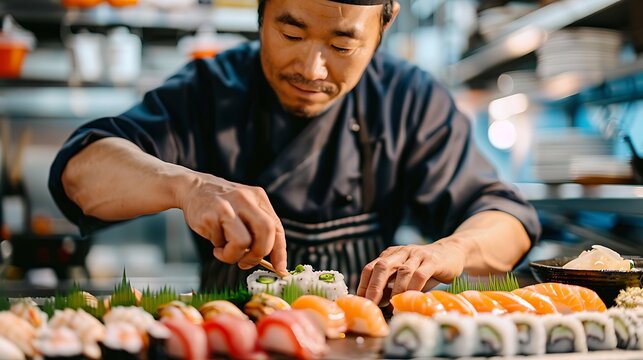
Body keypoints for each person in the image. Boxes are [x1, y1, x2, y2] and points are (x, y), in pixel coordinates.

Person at [49, 0, 540, 305]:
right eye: (291, 34)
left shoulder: (409, 100)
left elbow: (508, 219)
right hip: (231, 337)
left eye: (343, 45)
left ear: (382, 29)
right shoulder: (208, 90)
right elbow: (79, 174)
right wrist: (187, 185)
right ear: (261, 13)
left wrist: (451, 249)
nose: (313, 68)